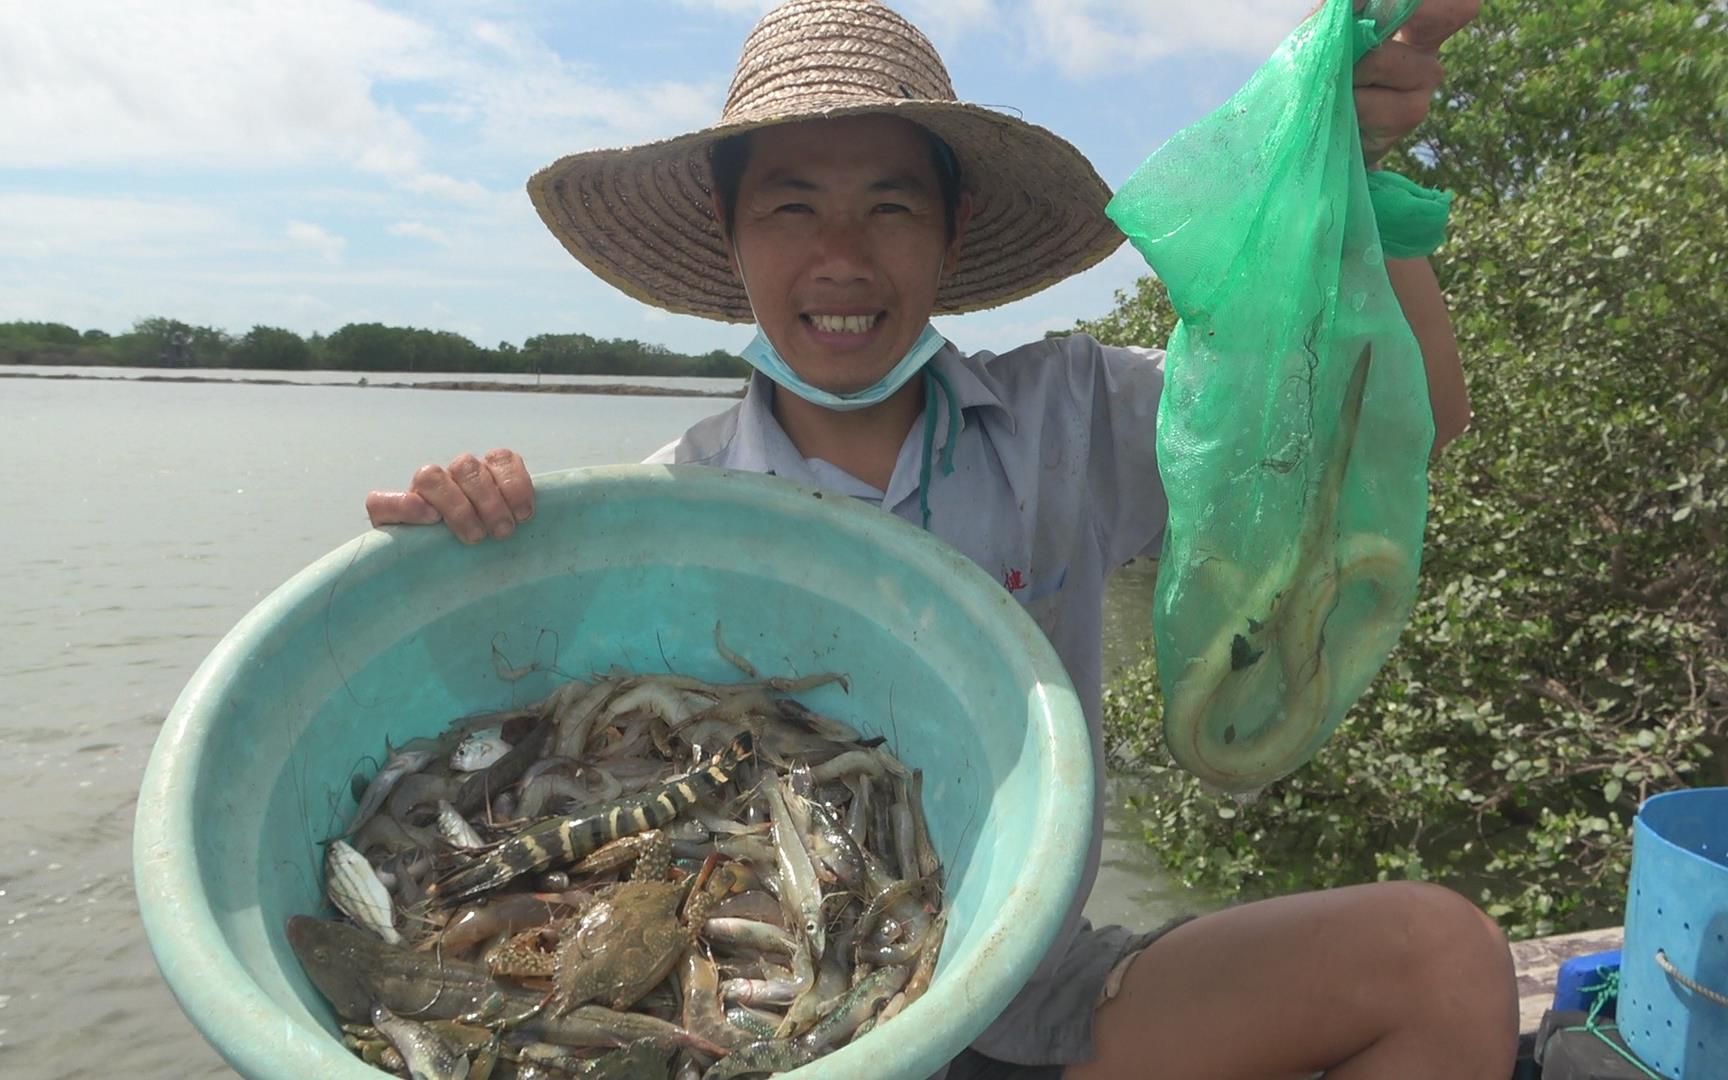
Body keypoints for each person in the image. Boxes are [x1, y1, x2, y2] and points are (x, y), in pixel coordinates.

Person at [367, 1, 1515, 1077]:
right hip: (761, 1012)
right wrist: (476, 529)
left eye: (892, 203)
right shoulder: (673, 512)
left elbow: (1392, 429)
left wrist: (1348, 179)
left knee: (1438, 958)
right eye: (792, 204)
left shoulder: (1071, 420)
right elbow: (518, 743)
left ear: (954, 232)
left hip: (1037, 996)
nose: (843, 254)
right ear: (730, 236)